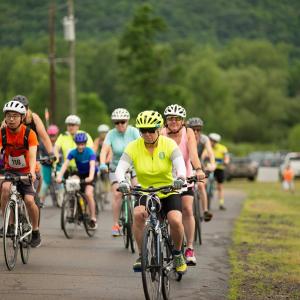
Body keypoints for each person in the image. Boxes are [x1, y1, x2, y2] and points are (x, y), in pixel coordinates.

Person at [116, 110, 187, 274]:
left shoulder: (169, 144)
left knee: (175, 220)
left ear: (159, 128)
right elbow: (120, 168)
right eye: (143, 131)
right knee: (138, 214)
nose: (147, 134)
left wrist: (181, 177)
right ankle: (142, 255)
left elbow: (180, 165)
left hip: (168, 190)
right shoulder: (133, 146)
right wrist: (122, 181)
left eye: (151, 130)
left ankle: (177, 254)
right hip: (145, 191)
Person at [161, 104, 206, 266]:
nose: (173, 121)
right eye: (170, 119)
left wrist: (199, 169)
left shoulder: (188, 133)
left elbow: (193, 154)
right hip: (165, 179)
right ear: (166, 121)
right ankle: (163, 239)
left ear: (183, 121)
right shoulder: (161, 132)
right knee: (165, 213)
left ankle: (189, 248)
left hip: (184, 177)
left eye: (177, 119)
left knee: (187, 208)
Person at [0, 100, 41, 247]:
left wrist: (31, 173)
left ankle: (35, 230)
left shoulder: (29, 134)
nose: (11, 119)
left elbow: (32, 156)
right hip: (10, 170)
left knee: (30, 201)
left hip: (27, 171)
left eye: (15, 116)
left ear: (22, 118)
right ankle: (8, 224)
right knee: (5, 189)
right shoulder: (2, 133)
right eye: (8, 116)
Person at [99, 108, 140, 236]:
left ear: (127, 121)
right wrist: (102, 163)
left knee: (138, 190)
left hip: (134, 166)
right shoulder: (111, 134)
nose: (120, 125)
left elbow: (142, 146)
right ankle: (116, 224)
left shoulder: (134, 131)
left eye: (122, 122)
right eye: (117, 122)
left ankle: (139, 218)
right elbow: (104, 150)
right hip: (116, 168)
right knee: (117, 194)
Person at [56, 132, 98, 229]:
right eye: (78, 144)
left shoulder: (90, 152)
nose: (80, 146)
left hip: (90, 174)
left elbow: (92, 166)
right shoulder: (73, 152)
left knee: (88, 193)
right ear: (76, 143)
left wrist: (90, 177)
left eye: (82, 144)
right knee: (72, 182)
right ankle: (74, 206)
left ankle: (93, 218)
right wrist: (59, 176)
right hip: (80, 173)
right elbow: (65, 165)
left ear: (85, 143)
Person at [187, 117, 216, 214]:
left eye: (198, 129)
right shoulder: (185, 137)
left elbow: (210, 152)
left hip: (198, 165)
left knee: (201, 185)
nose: (195, 132)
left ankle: (205, 210)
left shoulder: (204, 138)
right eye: (193, 129)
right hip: (186, 165)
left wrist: (212, 164)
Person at [39, 124, 63, 206]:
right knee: (45, 182)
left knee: (60, 180)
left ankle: (62, 198)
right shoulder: (43, 143)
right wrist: (43, 158)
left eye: (54, 135)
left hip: (58, 164)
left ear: (57, 135)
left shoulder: (60, 142)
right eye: (51, 135)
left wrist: (60, 156)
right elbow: (40, 154)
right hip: (47, 165)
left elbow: (63, 152)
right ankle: (41, 200)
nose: (52, 137)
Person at [208, 133, 230, 210]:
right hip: (210, 168)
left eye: (213, 141)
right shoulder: (207, 147)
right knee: (204, 182)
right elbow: (203, 155)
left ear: (216, 141)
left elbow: (226, 156)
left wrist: (226, 161)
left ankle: (221, 203)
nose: (211, 142)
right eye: (210, 140)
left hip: (219, 168)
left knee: (220, 187)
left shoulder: (222, 148)